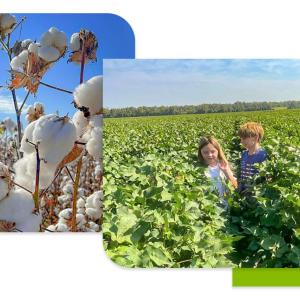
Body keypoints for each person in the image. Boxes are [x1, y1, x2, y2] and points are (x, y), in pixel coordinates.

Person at [198, 136, 237, 208]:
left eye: (213, 151)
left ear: (218, 151)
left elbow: (235, 187)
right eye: (205, 152)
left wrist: (226, 172)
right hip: (206, 209)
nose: (210, 155)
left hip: (225, 209)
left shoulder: (224, 165)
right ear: (200, 153)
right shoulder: (198, 169)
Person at [237, 122, 267, 194]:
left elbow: (266, 178)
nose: (241, 141)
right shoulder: (244, 154)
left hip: (256, 194)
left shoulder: (263, 154)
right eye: (241, 138)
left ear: (256, 137)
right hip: (243, 192)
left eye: (244, 138)